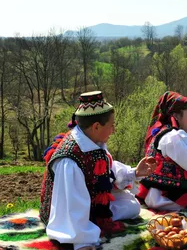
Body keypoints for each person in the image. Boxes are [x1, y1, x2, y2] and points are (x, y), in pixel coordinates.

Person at [40, 91, 156, 250]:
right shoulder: (69, 160)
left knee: (132, 205)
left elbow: (106, 168)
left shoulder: (92, 140)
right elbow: (72, 204)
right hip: (67, 212)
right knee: (127, 207)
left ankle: (95, 218)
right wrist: (83, 242)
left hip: (86, 198)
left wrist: (134, 172)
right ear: (96, 126)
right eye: (111, 125)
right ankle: (85, 231)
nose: (113, 130)